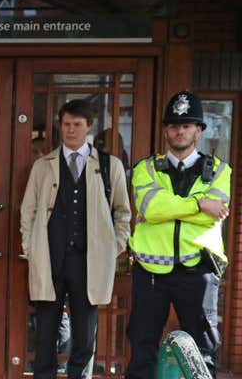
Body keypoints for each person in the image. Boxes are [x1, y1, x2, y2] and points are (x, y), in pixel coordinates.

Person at [20, 99, 131, 379]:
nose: (70, 130)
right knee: (45, 333)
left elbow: (123, 213)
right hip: (50, 260)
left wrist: (112, 249)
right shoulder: (42, 166)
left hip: (89, 263)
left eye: (77, 125)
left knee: (84, 336)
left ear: (89, 127)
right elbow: (28, 212)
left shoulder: (110, 166)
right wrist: (30, 249)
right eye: (66, 124)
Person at [126, 91, 230, 379]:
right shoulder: (145, 168)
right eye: (173, 125)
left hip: (198, 268)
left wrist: (168, 208)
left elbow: (216, 210)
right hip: (150, 270)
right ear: (165, 131)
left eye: (186, 125)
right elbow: (150, 206)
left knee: (202, 351)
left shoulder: (220, 170)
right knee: (142, 348)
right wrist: (199, 204)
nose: (179, 131)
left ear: (198, 130)